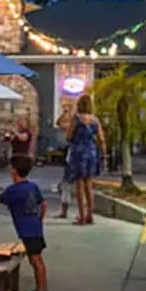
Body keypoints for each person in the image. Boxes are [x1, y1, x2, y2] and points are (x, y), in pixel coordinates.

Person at [0, 155, 48, 291]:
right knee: (37, 258)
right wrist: (39, 220)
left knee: (35, 260)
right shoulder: (33, 186)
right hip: (35, 228)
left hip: (27, 230)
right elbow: (43, 205)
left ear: (13, 170)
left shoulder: (12, 190)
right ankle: (42, 289)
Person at [66, 94, 104, 226]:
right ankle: (90, 216)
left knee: (79, 186)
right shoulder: (95, 120)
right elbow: (101, 139)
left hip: (78, 153)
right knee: (89, 185)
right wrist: (103, 154)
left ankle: (81, 217)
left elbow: (68, 136)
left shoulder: (76, 119)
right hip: (92, 152)